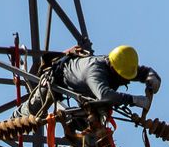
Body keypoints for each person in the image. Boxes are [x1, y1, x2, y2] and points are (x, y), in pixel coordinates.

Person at [16, 44, 161, 118]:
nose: (126, 81)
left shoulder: (117, 65)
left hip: (82, 87)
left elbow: (139, 72)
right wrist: (134, 100)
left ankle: (79, 142)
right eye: (124, 78)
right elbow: (106, 96)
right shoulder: (95, 73)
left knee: (91, 121)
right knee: (31, 111)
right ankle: (11, 122)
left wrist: (152, 76)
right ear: (115, 71)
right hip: (54, 81)